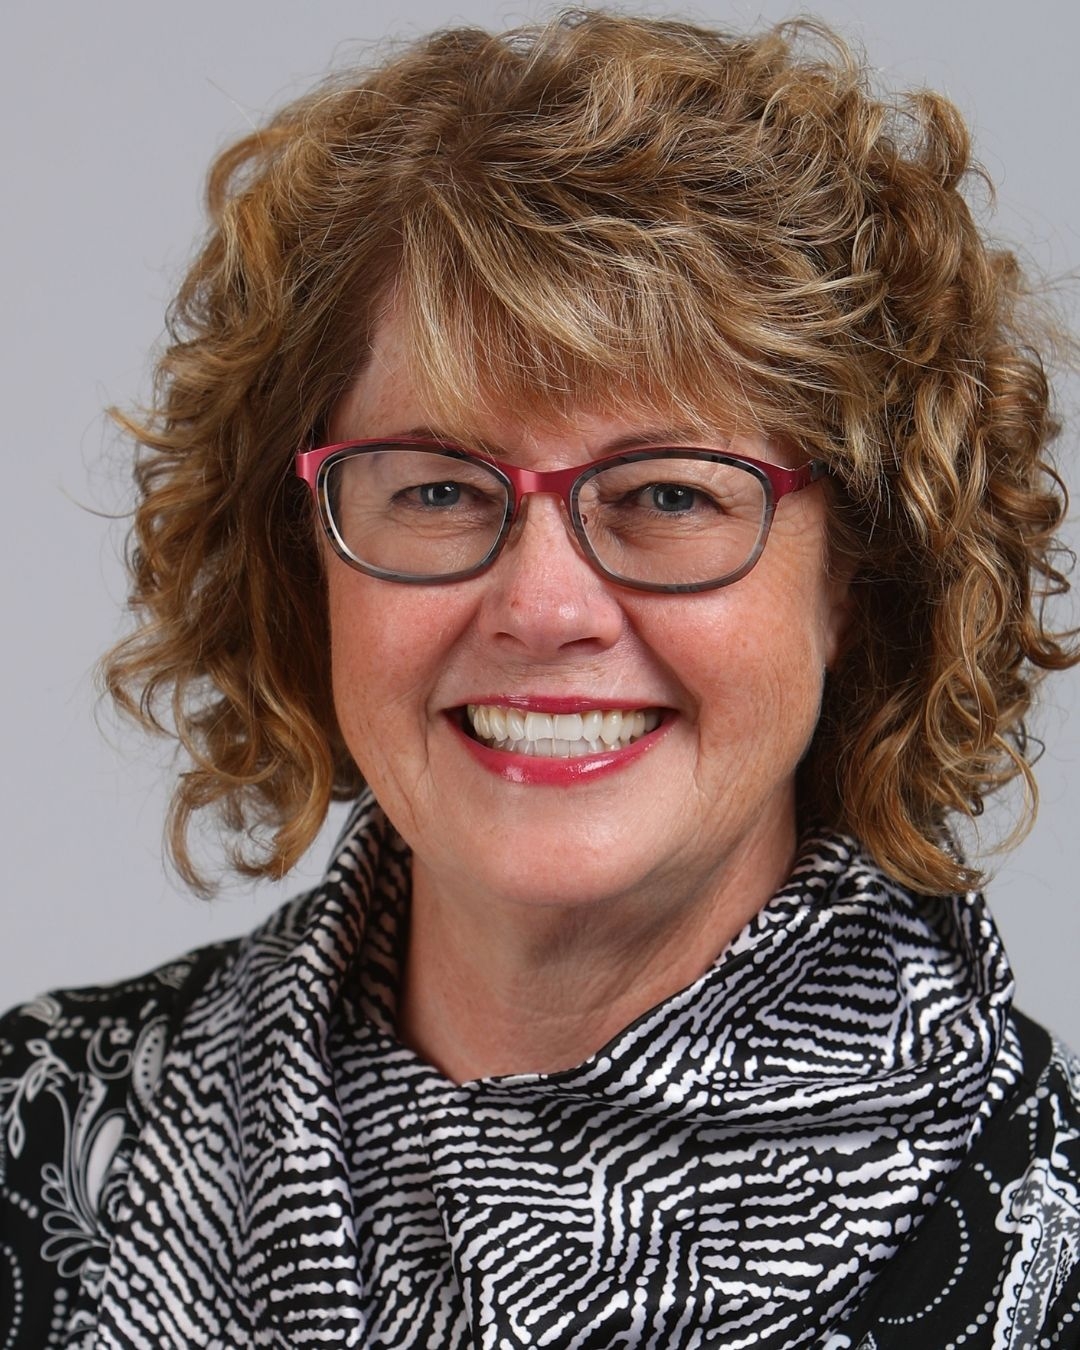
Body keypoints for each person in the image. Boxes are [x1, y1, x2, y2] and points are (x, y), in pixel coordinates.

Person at [2, 10, 1079, 1347]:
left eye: (670, 494)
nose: (542, 607)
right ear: (304, 553)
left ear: (860, 571)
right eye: (439, 489)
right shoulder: (33, 1143)